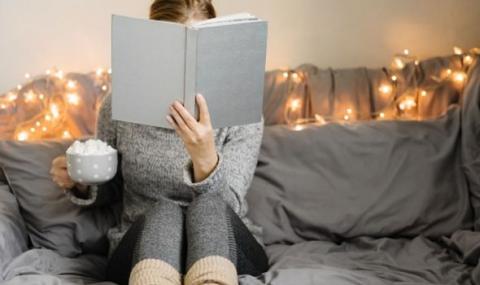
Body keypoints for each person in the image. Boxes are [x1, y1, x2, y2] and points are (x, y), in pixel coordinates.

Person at [49, 0, 269, 284]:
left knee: (208, 206)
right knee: (164, 210)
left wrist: (205, 158)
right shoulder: (119, 105)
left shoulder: (242, 113)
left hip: (227, 249)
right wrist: (80, 180)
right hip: (142, 251)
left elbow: (231, 205)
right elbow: (111, 190)